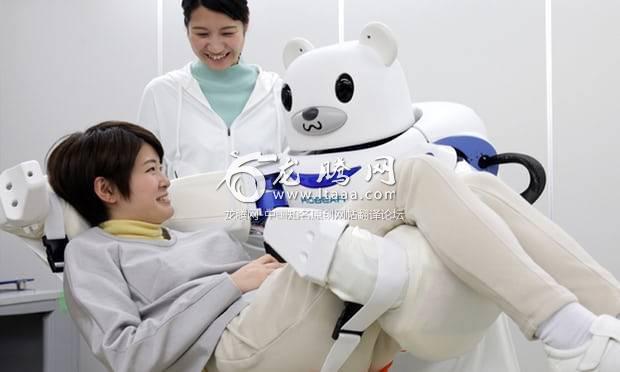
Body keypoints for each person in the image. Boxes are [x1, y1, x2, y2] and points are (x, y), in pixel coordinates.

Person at [49, 121, 620, 372]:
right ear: (107, 189)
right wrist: (233, 283)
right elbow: (126, 354)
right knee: (415, 176)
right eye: (152, 170)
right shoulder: (93, 253)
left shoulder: (183, 235)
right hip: (238, 350)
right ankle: (561, 331)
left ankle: (605, 320)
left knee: (472, 184)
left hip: (280, 312)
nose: (166, 179)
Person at [138, 0, 286, 179]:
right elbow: (143, 179)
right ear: (187, 29)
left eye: (227, 33)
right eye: (202, 34)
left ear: (245, 25)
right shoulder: (161, 94)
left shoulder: (279, 93)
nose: (215, 47)